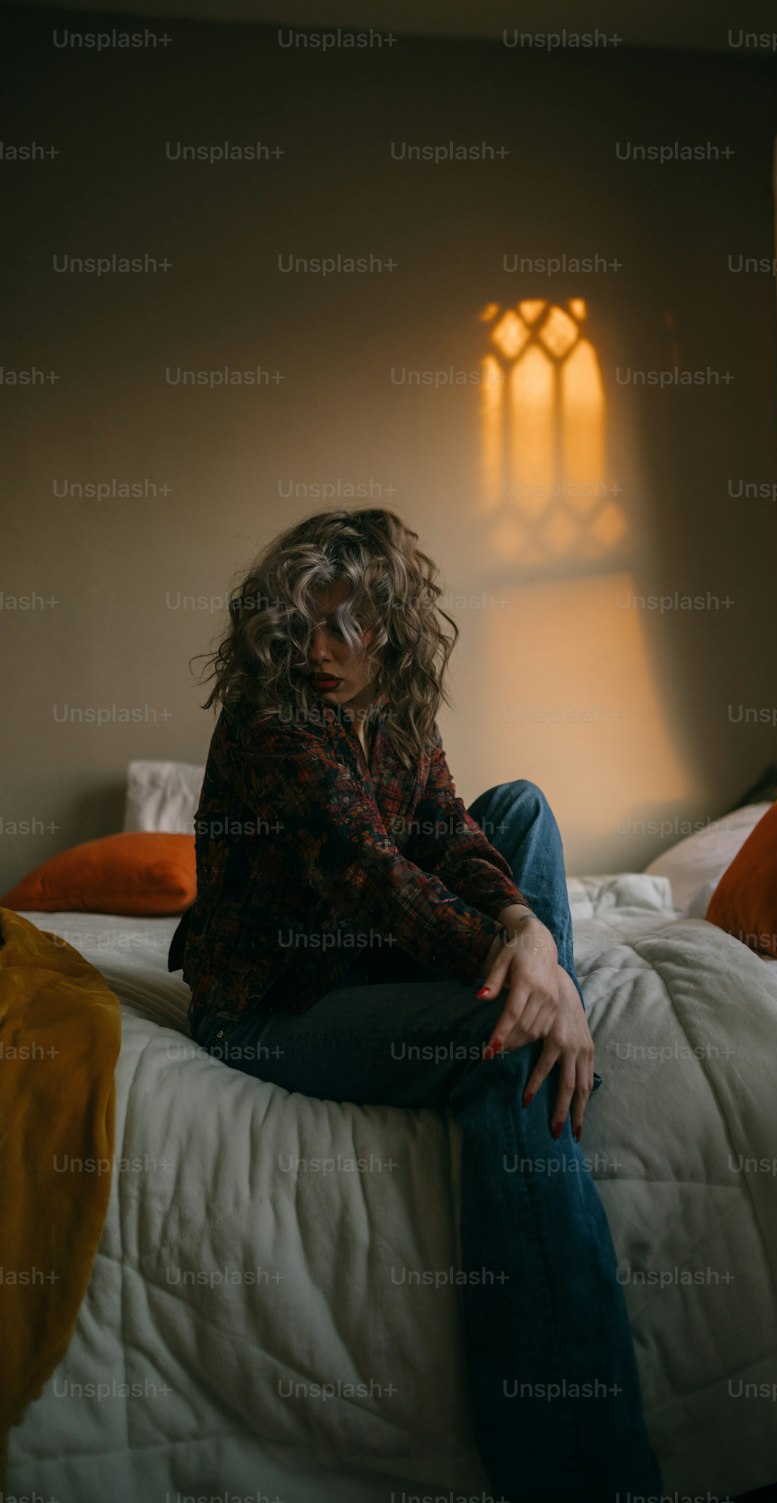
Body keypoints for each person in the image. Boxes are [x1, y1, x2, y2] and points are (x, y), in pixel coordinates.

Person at [171, 507, 663, 1502]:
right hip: (269, 1006)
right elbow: (378, 881)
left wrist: (523, 928)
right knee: (512, 1050)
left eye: (344, 626)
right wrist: (528, 968)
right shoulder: (275, 725)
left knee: (516, 804)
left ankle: (532, 1006)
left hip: (357, 967)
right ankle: (575, 1474)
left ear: (391, 627)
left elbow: (445, 833)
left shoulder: (396, 712)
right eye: (301, 624)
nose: (318, 650)